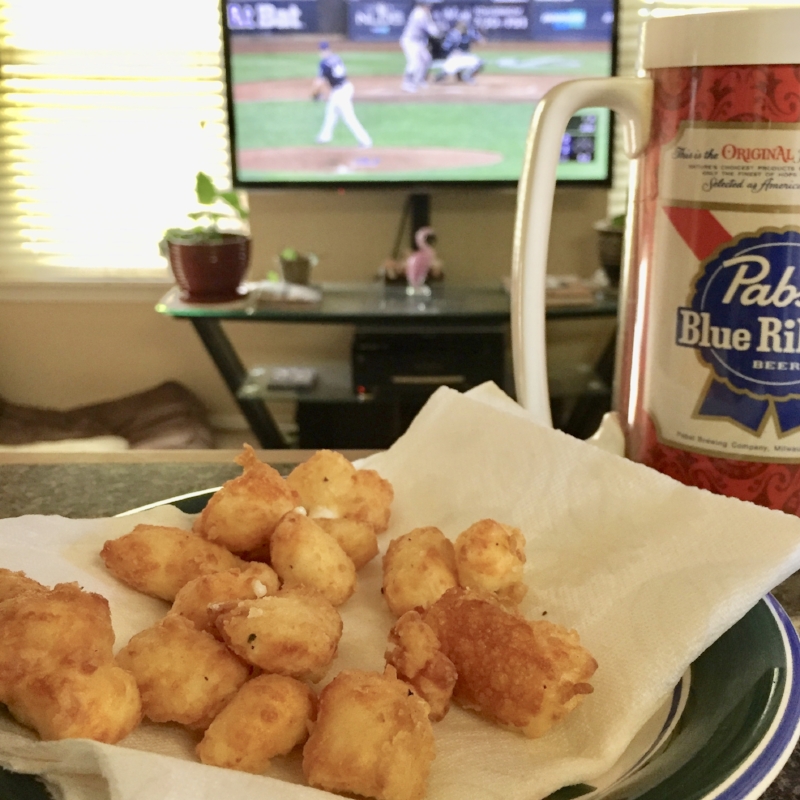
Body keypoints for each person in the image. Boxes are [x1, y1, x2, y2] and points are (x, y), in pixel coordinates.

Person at [311, 41, 372, 148]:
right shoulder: (336, 57)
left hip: (340, 92)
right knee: (331, 113)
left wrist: (315, 95)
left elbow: (319, 82)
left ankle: (365, 141)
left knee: (349, 118)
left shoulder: (324, 63)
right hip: (346, 87)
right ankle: (324, 136)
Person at [399, 1, 439, 93]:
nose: (429, 7)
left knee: (426, 59)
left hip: (419, 42)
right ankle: (407, 83)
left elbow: (430, 26)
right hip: (410, 41)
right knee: (414, 63)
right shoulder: (418, 14)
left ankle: (419, 80)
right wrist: (437, 32)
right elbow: (428, 28)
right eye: (428, 5)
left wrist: (436, 30)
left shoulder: (424, 13)